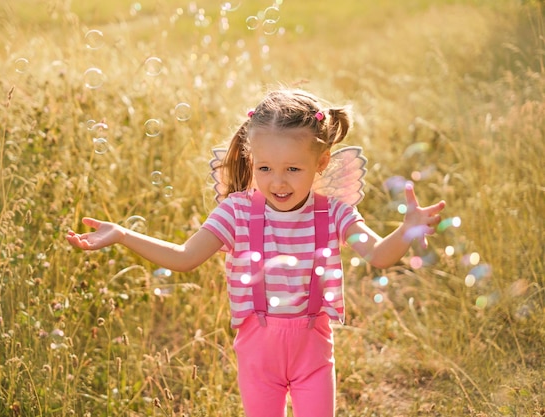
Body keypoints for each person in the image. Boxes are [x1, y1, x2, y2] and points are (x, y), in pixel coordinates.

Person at [66, 88, 446, 417]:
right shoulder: (236, 212)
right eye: (264, 168)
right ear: (252, 160)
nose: (277, 182)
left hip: (313, 350)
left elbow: (378, 254)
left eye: (293, 169)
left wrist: (406, 229)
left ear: (322, 163)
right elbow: (184, 257)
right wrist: (122, 234)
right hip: (257, 354)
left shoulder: (333, 212)